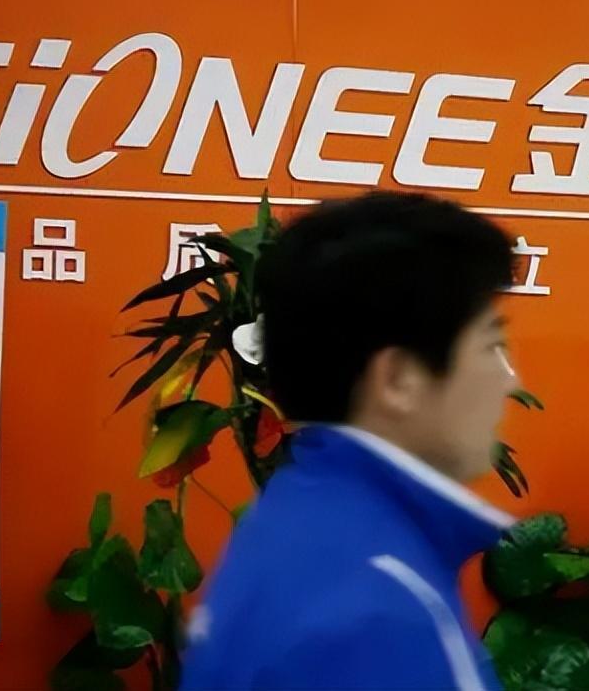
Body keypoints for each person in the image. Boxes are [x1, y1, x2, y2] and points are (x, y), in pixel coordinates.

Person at [181, 192, 519, 691]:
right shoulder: (378, 613)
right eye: (491, 345)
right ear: (398, 378)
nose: (508, 379)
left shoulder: (303, 528)